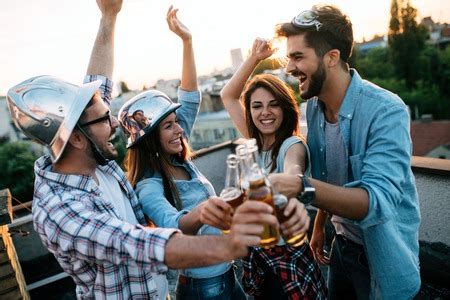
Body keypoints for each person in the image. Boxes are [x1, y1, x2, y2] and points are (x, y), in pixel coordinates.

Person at [6, 1, 279, 299]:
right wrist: (231, 244)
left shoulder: (91, 156)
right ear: (75, 138)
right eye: (104, 118)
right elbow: (134, 242)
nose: (113, 123)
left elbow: (100, 87)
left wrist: (109, 16)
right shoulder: (60, 209)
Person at [269, 5, 421, 299]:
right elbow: (331, 175)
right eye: (289, 58)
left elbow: (375, 202)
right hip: (341, 246)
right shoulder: (313, 107)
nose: (289, 68)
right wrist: (320, 225)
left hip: (381, 255)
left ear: (332, 57)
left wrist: (301, 185)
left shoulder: (386, 110)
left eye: (298, 57)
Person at [118, 7, 249, 300]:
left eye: (177, 122)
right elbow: (174, 227)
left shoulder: (178, 153)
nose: (179, 129)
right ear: (151, 140)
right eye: (168, 125)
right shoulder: (148, 186)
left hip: (228, 275)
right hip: (203, 289)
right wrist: (208, 208)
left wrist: (186, 41)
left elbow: (189, 97)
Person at [219, 38, 327, 299]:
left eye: (273, 104)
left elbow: (294, 171)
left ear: (285, 107)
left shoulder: (291, 144)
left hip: (287, 257)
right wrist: (255, 58)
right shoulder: (255, 142)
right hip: (258, 257)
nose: (265, 112)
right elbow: (228, 95)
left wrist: (289, 180)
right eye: (257, 106)